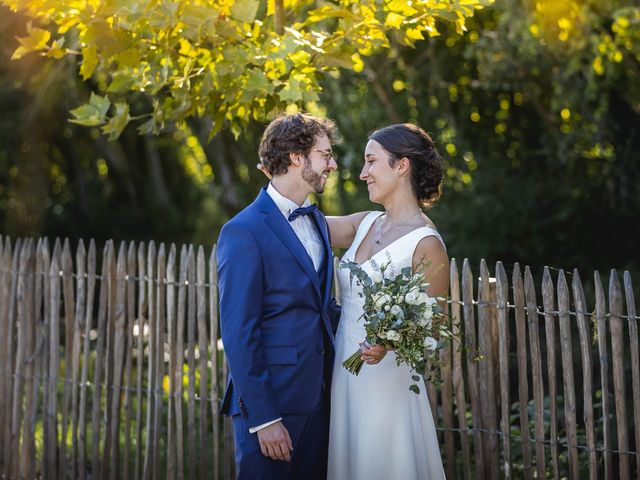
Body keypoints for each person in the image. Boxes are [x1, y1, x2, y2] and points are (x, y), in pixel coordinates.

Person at [216, 113, 341, 480]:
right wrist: (264, 417)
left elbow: (321, 308)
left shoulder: (317, 220)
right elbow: (239, 331)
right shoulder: (243, 231)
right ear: (297, 157)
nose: (332, 164)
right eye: (325, 154)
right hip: (273, 405)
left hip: (320, 397)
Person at [326, 123, 448, 479]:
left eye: (371, 162)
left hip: (386, 381)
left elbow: (433, 324)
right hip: (344, 374)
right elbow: (300, 222)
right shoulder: (364, 223)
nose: (363, 173)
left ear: (401, 165)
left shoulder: (427, 244)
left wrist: (389, 343)